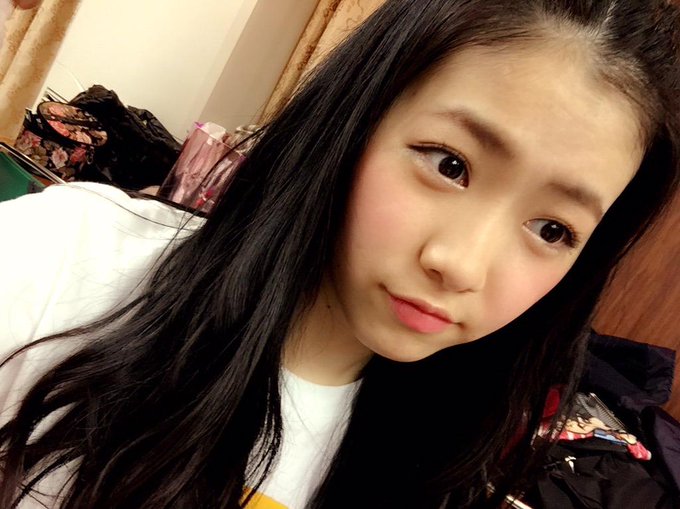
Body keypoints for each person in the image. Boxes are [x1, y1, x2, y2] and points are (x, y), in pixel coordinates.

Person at [0, 0, 679, 507]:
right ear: (354, 119)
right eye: (449, 164)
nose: (460, 264)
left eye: (552, 229)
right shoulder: (66, 258)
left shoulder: (454, 470)